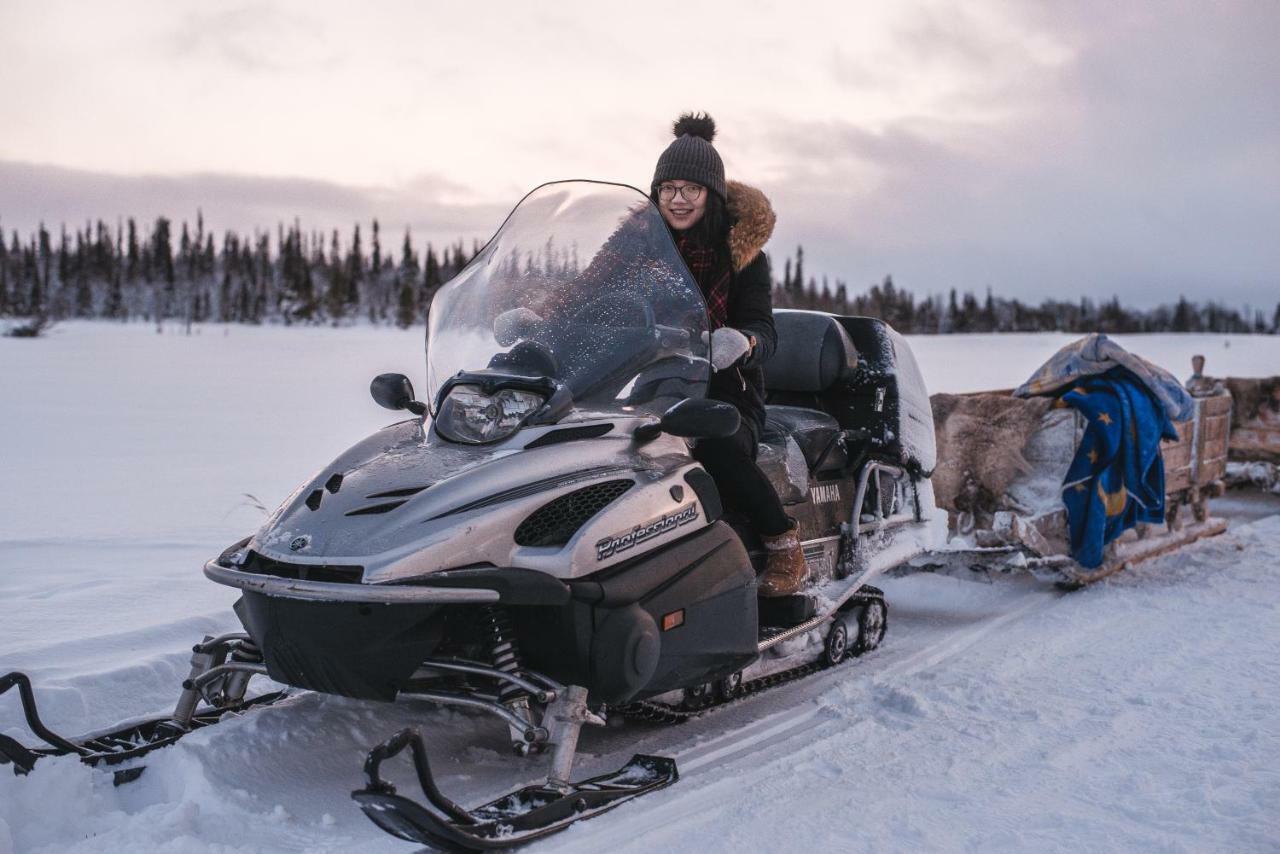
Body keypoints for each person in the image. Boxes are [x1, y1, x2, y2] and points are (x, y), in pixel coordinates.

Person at [649, 112, 806, 597]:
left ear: (711, 194)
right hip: (646, 383)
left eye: (690, 189)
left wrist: (744, 342)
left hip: (726, 392)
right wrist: (542, 317)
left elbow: (764, 329)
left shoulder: (742, 255)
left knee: (715, 449)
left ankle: (782, 543)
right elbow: (591, 295)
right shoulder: (638, 247)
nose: (677, 199)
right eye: (668, 188)